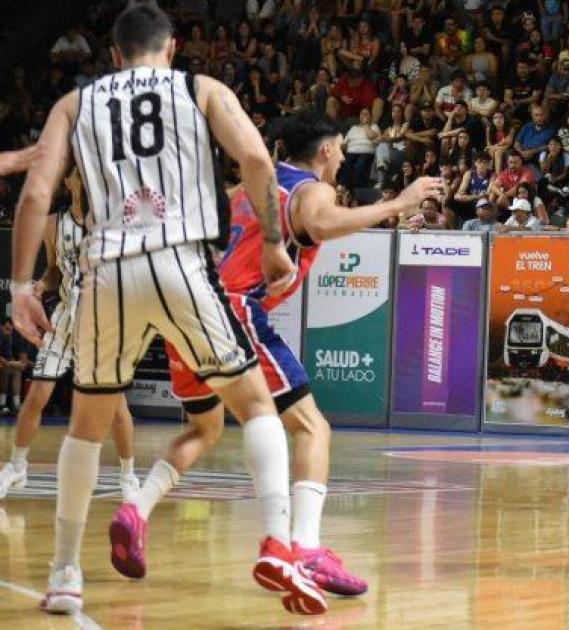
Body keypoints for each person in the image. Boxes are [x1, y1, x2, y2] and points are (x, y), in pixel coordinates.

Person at [10, 4, 322, 615]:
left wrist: (21, 285)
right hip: (181, 262)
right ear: (173, 48)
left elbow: (36, 191)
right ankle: (279, 544)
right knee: (256, 405)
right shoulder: (200, 88)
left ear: (115, 54)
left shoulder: (75, 104)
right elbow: (257, 160)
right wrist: (272, 242)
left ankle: (65, 572)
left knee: (86, 426)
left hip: (107, 270)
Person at [129, 112, 441, 597]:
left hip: (189, 310)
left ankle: (135, 509)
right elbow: (321, 222)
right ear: (325, 149)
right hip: (236, 312)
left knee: (204, 428)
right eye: (339, 148)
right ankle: (306, 549)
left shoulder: (249, 186)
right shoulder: (311, 190)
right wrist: (398, 203)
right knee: (312, 427)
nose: (341, 157)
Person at [0, 171, 140, 501]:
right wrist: (41, 285)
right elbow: (54, 270)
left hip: (102, 322)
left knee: (117, 407)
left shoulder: (113, 223)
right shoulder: (53, 223)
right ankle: (16, 467)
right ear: (69, 182)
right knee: (37, 395)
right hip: (63, 319)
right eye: (81, 174)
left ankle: (128, 476)